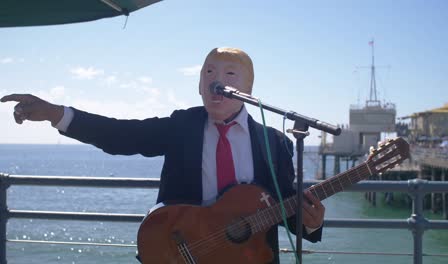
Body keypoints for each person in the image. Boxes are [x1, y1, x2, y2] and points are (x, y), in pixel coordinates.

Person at [1, 47, 324, 263]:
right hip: (183, 253)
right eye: (208, 73)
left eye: (229, 75)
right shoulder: (182, 125)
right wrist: (57, 113)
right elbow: (120, 135)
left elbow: (282, 209)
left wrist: (309, 223)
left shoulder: (275, 142)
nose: (216, 81)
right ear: (199, 86)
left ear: (248, 91)